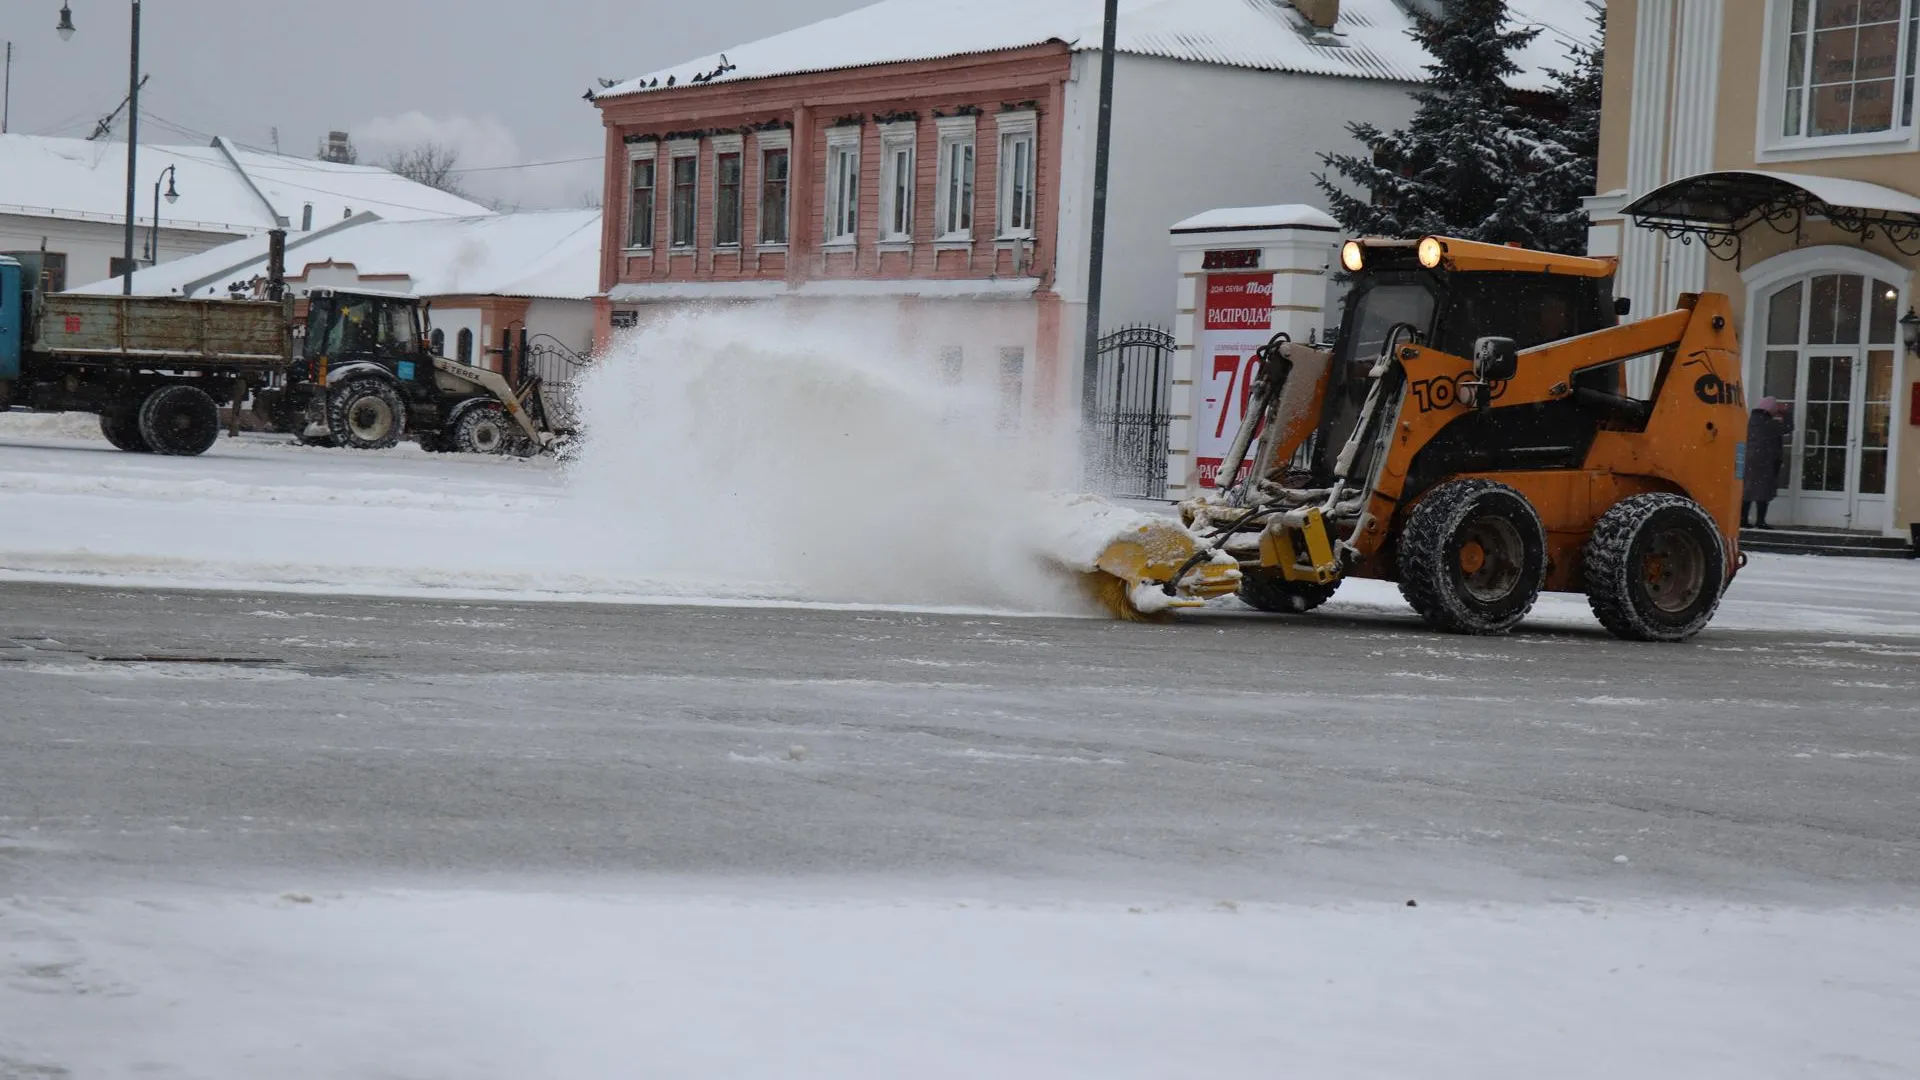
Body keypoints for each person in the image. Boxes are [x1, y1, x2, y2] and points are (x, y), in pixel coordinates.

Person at [1743, 396, 1790, 529]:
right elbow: (1787, 427)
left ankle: (1743, 520)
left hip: (1750, 460)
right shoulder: (1769, 423)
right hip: (1765, 461)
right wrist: (1785, 412)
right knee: (1763, 492)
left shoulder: (1751, 420)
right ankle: (1760, 521)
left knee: (1747, 491)